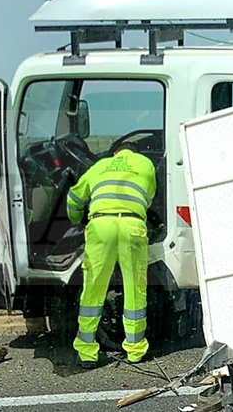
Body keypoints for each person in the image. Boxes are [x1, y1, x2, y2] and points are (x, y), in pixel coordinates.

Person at [65, 141, 157, 369]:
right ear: (133, 152)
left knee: (93, 288)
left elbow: (74, 197)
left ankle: (87, 352)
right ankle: (135, 350)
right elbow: (150, 196)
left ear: (115, 153)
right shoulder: (145, 164)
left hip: (101, 225)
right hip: (131, 225)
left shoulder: (100, 165)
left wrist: (76, 219)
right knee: (135, 288)